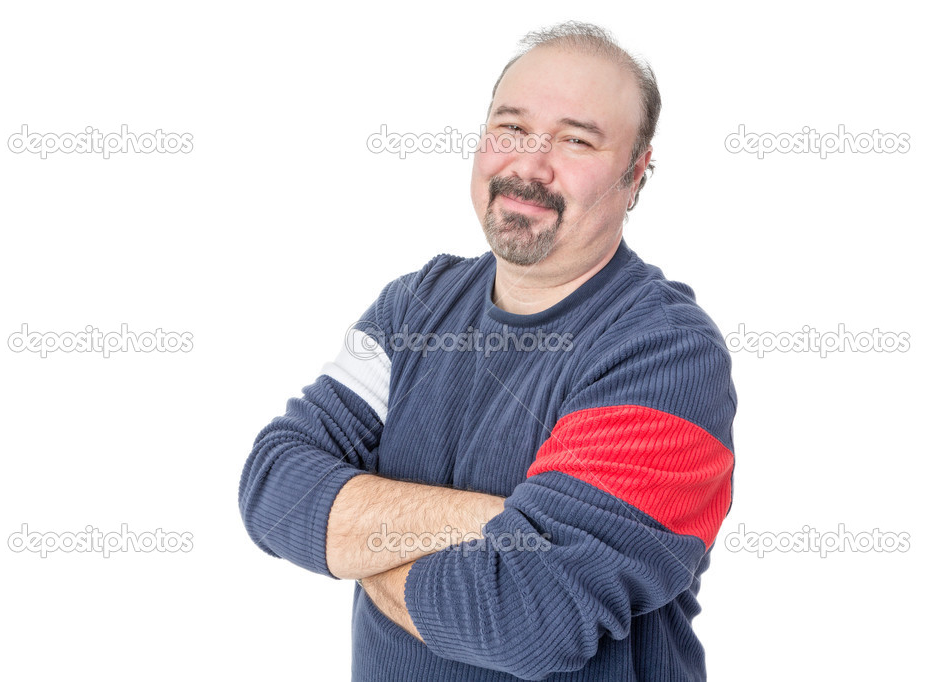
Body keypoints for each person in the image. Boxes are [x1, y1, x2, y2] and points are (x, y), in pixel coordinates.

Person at [239, 20, 736, 681]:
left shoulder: (666, 356)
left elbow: (523, 622)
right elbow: (271, 486)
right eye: (509, 128)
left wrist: (356, 541)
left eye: (575, 140)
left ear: (635, 172)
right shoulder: (411, 308)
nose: (527, 166)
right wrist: (497, 521)